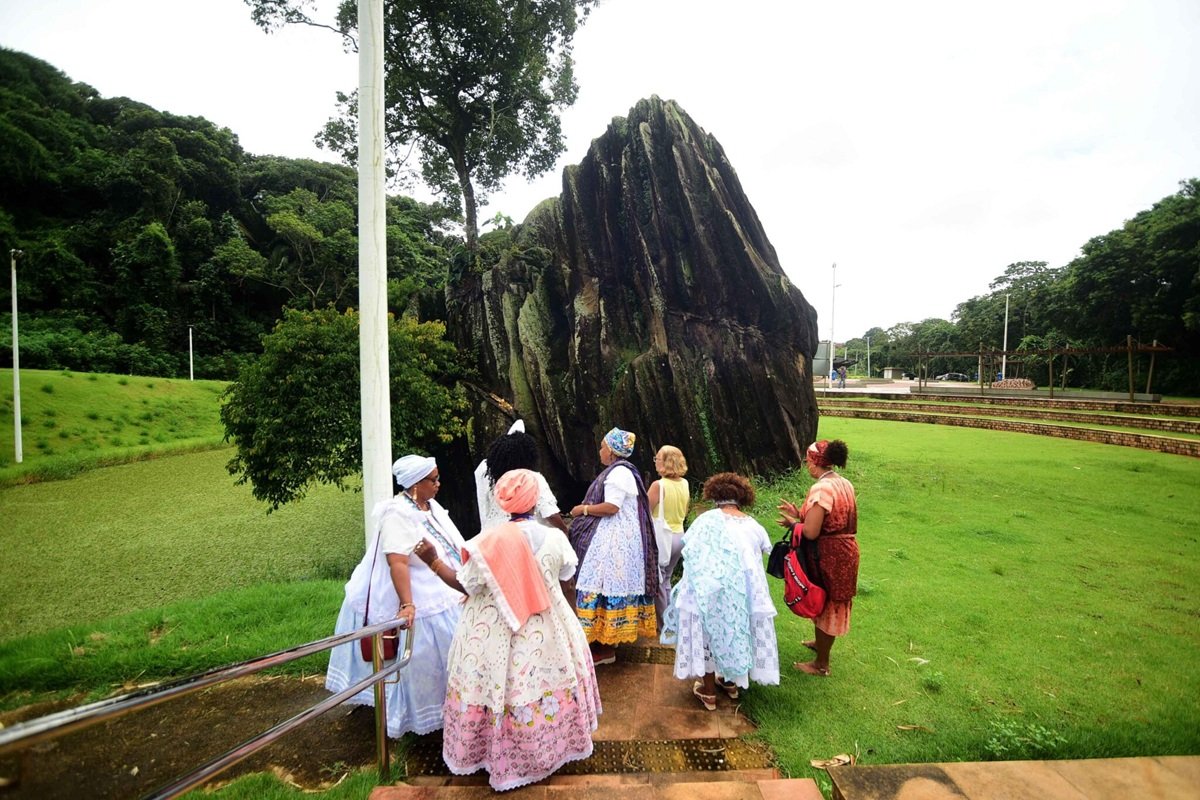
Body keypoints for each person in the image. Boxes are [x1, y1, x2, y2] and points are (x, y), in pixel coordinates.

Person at [414, 469, 601, 791]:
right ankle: (550, 749)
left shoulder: (487, 542)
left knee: (501, 687)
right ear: (535, 498)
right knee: (544, 684)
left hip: (492, 633)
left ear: (502, 501)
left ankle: (499, 758)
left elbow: (465, 584)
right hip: (550, 625)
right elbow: (566, 576)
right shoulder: (556, 538)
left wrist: (433, 561)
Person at [325, 454, 467, 737]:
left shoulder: (430, 506)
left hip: (439, 583)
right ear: (416, 483)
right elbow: (397, 561)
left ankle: (450, 707)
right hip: (415, 589)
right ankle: (414, 714)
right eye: (433, 479)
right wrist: (407, 603)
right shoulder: (397, 514)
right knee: (419, 653)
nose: (439, 484)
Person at [661, 473, 779, 710]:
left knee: (709, 633)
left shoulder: (706, 521)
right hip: (745, 592)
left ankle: (708, 691)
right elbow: (765, 548)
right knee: (735, 629)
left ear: (714, 495)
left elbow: (688, 546)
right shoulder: (752, 524)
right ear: (742, 497)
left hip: (709, 588)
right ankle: (730, 682)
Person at [567, 427, 658, 665]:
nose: (600, 451)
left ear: (612, 451)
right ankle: (608, 641)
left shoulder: (618, 473)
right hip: (620, 538)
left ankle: (603, 647)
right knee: (604, 584)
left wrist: (582, 510)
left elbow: (612, 507)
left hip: (613, 540)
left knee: (597, 582)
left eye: (602, 446)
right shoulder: (623, 472)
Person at [777, 439, 859, 677]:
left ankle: (821, 664)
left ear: (815, 463)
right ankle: (820, 643)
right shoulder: (843, 482)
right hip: (846, 551)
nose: (806, 464)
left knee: (826, 602)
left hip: (830, 555)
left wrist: (794, 524)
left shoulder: (821, 488)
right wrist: (799, 513)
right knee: (828, 600)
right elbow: (829, 517)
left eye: (808, 460)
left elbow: (812, 531)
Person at [474, 420, 569, 536]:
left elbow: (483, 509)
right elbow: (550, 513)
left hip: (491, 536)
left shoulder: (485, 474)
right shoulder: (532, 478)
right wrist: (564, 530)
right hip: (525, 537)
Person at [648, 444, 690, 629]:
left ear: (666, 462)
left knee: (657, 580)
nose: (655, 461)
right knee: (666, 579)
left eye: (657, 458)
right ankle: (671, 618)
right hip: (679, 535)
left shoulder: (659, 485)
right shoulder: (685, 483)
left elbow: (645, 513)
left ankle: (664, 623)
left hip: (662, 538)